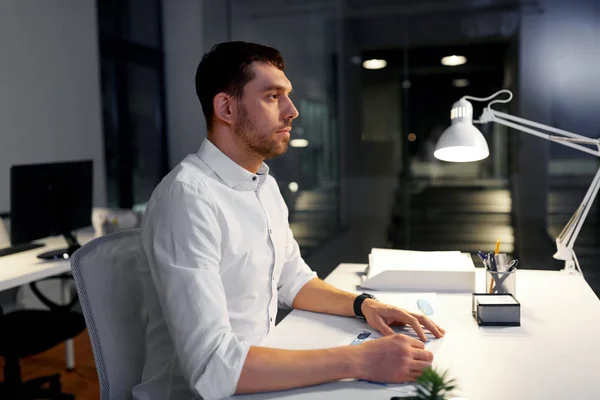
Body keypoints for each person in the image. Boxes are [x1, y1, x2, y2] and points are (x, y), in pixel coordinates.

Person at [134, 41, 445, 400]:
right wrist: (359, 360)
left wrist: (366, 305)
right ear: (226, 108)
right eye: (272, 96)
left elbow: (292, 280)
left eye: (288, 96)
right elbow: (214, 368)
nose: (293, 111)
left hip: (259, 380)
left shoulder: (262, 185)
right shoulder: (188, 200)